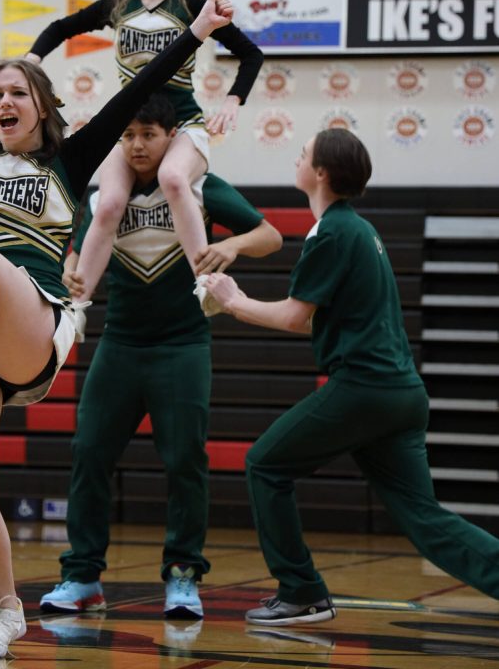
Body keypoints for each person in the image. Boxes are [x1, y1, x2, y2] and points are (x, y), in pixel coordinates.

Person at [0, 0, 232, 659]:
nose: (4, 102)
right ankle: (3, 612)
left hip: (31, 322)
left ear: (41, 104)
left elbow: (139, 85)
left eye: (17, 92)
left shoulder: (72, 156)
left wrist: (199, 30)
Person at [204, 128, 499, 628]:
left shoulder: (332, 233)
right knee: (425, 519)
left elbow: (297, 318)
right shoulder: (359, 230)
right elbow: (322, 316)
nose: (296, 159)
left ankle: (301, 592)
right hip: (401, 394)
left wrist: (233, 301)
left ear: (320, 172)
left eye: (303, 154)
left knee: (264, 465)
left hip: (366, 389)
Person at [39, 91, 282, 620]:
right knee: (89, 455)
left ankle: (183, 575)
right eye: (127, 136)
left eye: (147, 134)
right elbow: (79, 254)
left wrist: (234, 246)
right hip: (120, 344)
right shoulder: (108, 193)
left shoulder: (199, 185)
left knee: (185, 462)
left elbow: (272, 235)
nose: (136, 145)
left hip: (182, 346)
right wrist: (69, 275)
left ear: (172, 137)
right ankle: (82, 576)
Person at [26, 0, 263, 313]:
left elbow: (250, 53)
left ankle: (206, 284)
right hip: (129, 128)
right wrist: (31, 61)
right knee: (108, 203)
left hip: (182, 125)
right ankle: (76, 310)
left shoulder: (192, 6)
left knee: (173, 179)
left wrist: (232, 101)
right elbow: (59, 28)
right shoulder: (118, 7)